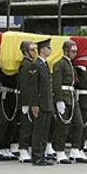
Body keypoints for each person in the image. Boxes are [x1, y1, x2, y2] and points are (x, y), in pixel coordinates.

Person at [52, 40, 87, 164]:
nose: (75, 53)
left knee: (79, 124)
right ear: (66, 50)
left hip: (72, 97)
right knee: (62, 127)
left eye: (75, 51)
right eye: (73, 51)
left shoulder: (70, 65)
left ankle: (75, 150)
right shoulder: (59, 64)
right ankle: (60, 152)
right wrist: (58, 100)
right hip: (64, 97)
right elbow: (56, 84)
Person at [29, 38, 55, 166]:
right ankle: (37, 156)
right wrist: (34, 104)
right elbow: (33, 87)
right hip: (39, 103)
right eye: (48, 48)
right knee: (38, 131)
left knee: (45, 131)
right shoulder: (35, 65)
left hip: (47, 103)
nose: (50, 50)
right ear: (43, 50)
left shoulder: (45, 64)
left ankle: (42, 154)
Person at [17, 41, 37, 163]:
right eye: (32, 50)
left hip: (32, 100)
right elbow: (24, 85)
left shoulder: (31, 64)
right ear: (25, 51)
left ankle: (27, 149)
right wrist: (25, 103)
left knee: (31, 126)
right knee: (26, 126)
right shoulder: (25, 65)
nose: (34, 52)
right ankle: (23, 151)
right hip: (27, 100)